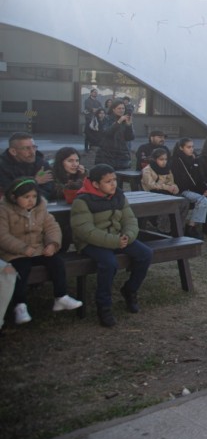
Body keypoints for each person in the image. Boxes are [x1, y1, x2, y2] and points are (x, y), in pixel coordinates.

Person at [70, 164, 154, 327]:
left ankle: (130, 290)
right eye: (108, 181)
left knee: (146, 254)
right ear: (95, 184)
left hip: (117, 237)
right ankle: (104, 305)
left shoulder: (119, 196)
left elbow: (130, 219)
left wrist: (128, 236)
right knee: (109, 263)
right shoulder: (82, 201)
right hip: (91, 242)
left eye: (114, 180)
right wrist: (113, 241)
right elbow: (85, 231)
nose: (113, 184)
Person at [1, 177, 83, 324]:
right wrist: (23, 248)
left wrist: (52, 244)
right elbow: (3, 236)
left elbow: (52, 227)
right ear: (14, 197)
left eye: (33, 196)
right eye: (26, 197)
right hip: (14, 252)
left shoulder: (40, 208)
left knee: (57, 263)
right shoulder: (4, 210)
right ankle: (20, 305)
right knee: (20, 270)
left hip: (38, 249)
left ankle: (61, 296)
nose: (31, 200)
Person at [170, 138, 207, 238]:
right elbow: (181, 180)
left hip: (193, 189)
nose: (191, 149)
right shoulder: (176, 161)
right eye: (188, 147)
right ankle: (191, 227)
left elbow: (199, 177)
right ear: (181, 148)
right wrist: (198, 190)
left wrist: (204, 189)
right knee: (203, 200)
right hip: (182, 190)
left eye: (192, 147)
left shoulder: (194, 159)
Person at [0, 133, 54, 200]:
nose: (32, 152)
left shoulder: (41, 164)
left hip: (39, 205)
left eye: (34, 147)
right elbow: (10, 193)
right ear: (13, 151)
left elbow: (47, 191)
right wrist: (34, 181)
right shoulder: (2, 167)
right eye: (26, 148)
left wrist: (32, 201)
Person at [95, 100, 135, 170]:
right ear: (113, 109)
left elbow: (130, 138)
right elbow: (106, 133)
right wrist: (118, 122)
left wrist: (129, 126)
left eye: (123, 108)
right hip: (107, 153)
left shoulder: (125, 120)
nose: (121, 110)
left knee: (120, 177)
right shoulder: (107, 118)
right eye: (119, 108)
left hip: (121, 153)